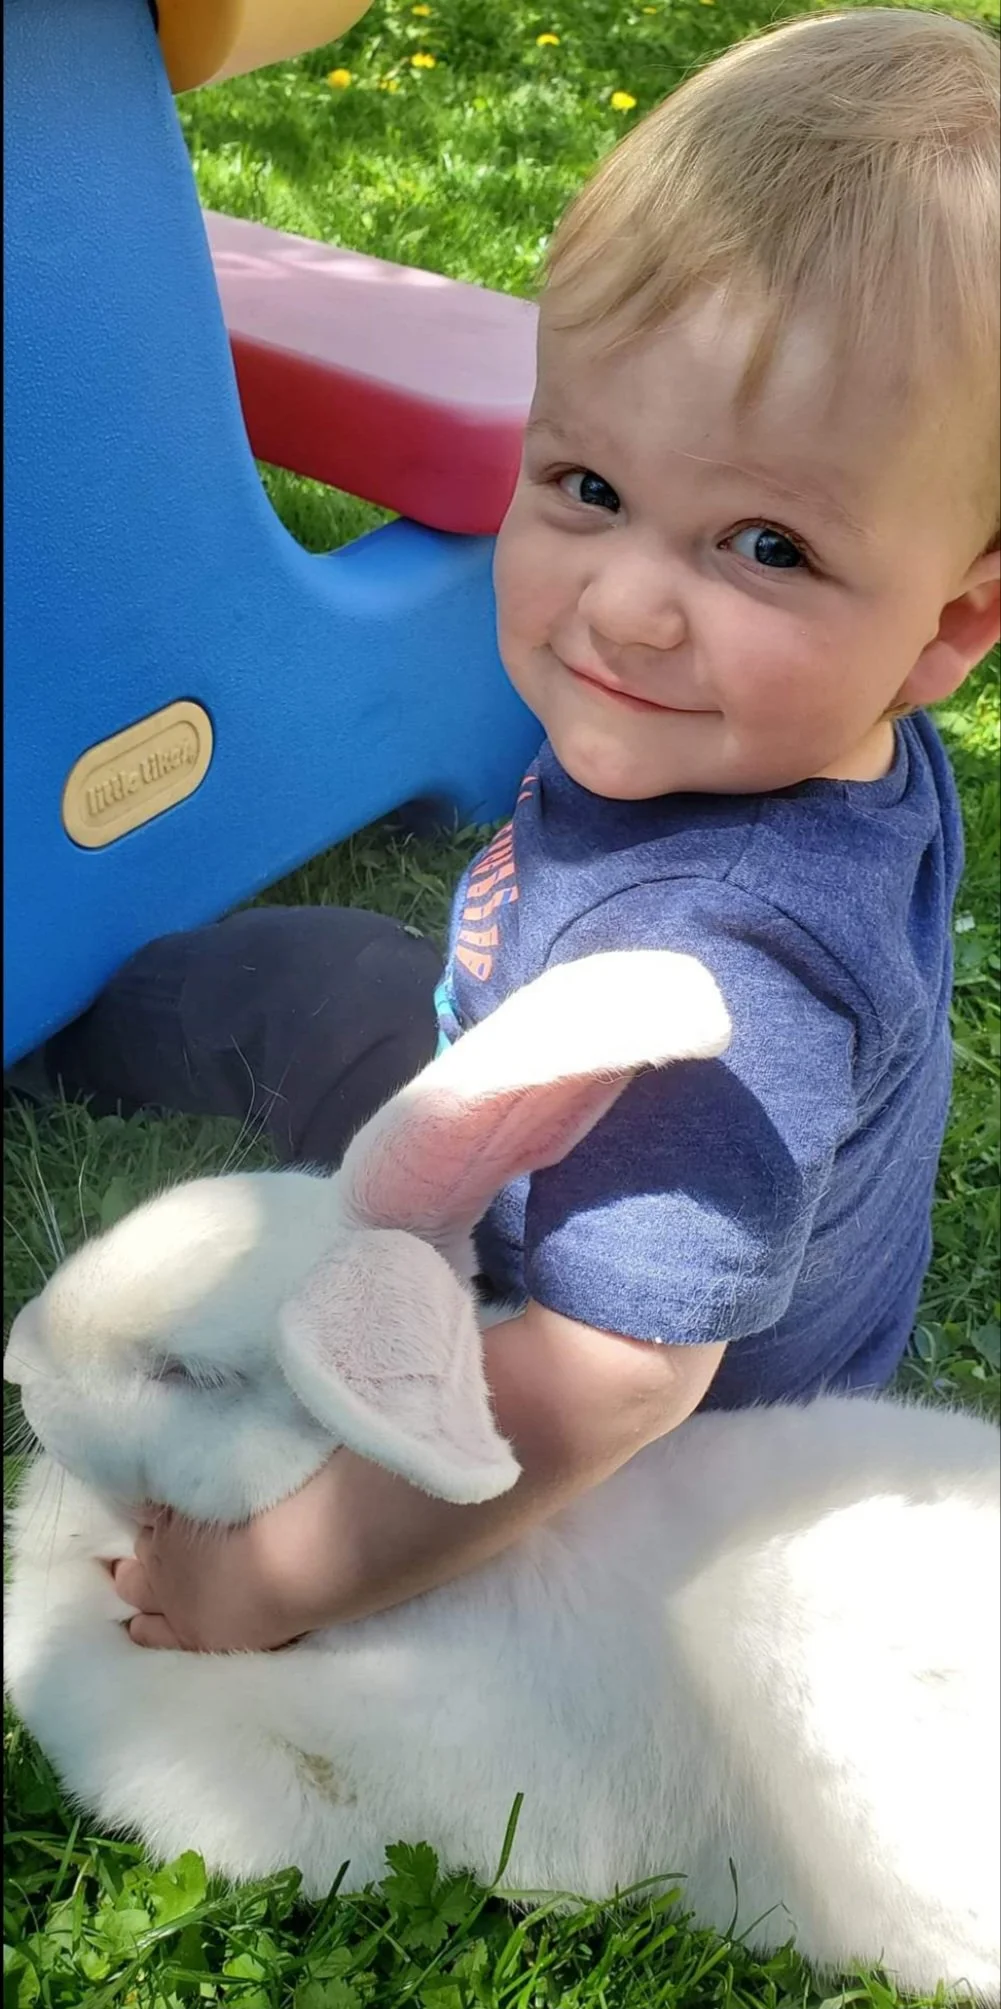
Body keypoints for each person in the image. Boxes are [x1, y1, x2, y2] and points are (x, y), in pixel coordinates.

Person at [24, 8, 1001, 1649]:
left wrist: (270, 1576)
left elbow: (603, 1390)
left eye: (764, 546)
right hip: (533, 1120)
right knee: (266, 984)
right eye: (588, 488)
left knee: (264, 1110)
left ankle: (102, 1025)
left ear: (947, 635)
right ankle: (116, 1017)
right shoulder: (813, 729)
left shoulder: (727, 981)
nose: (627, 604)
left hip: (636, 1453)